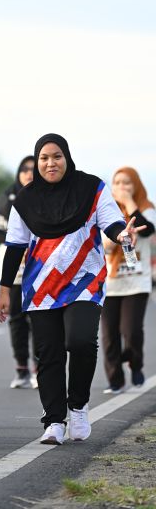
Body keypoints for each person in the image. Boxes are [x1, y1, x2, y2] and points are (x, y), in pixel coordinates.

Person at [0, 133, 145, 446]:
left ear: (67, 157)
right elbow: (14, 246)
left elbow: (112, 222)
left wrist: (122, 235)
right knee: (48, 353)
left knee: (80, 341)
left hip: (84, 282)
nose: (50, 163)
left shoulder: (91, 188)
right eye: (44, 158)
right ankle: (53, 421)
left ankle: (77, 406)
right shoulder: (25, 200)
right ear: (37, 162)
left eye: (57, 156)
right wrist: (5, 289)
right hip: (41, 287)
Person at [101, 167, 156, 394]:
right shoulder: (106, 211)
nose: (122, 187)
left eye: (127, 183)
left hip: (137, 282)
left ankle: (135, 363)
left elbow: (148, 230)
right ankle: (115, 380)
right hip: (110, 283)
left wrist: (129, 202)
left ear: (136, 185)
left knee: (131, 331)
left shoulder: (146, 207)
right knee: (109, 335)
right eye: (117, 183)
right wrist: (118, 236)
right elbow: (102, 245)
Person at [0, 155, 38, 389]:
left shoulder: (46, 195)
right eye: (24, 169)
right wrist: (17, 243)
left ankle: (39, 368)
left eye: (33, 169)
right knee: (17, 320)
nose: (29, 173)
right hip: (14, 270)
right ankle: (21, 369)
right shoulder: (7, 197)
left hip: (40, 269)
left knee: (39, 320)